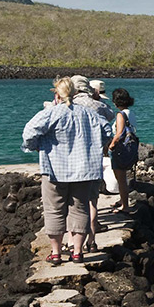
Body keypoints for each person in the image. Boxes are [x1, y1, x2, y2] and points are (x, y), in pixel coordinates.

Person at [22, 77, 112, 265]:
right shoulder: (89, 113)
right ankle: (78, 252)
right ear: (75, 93)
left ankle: (56, 253)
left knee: (54, 211)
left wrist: (37, 146)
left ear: (57, 94)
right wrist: (96, 146)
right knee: (80, 210)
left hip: (54, 169)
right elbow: (107, 131)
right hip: (84, 170)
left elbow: (29, 132)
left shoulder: (51, 113)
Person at [69, 75, 115, 252]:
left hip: (72, 159)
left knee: (72, 204)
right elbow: (109, 120)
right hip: (93, 158)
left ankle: (73, 243)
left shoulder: (66, 105)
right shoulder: (97, 105)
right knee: (92, 201)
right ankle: (92, 240)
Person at [108, 88, 138, 214]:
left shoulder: (120, 115)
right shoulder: (130, 113)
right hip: (129, 149)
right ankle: (122, 200)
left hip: (120, 149)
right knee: (123, 177)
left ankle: (125, 205)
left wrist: (111, 145)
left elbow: (119, 133)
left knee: (120, 178)